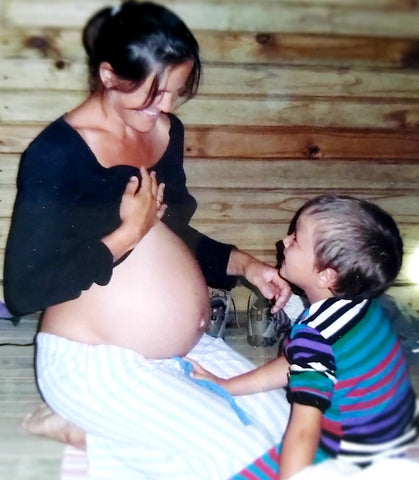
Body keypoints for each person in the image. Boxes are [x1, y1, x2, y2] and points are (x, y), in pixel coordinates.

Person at [3, 2, 291, 479]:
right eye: (152, 95)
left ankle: (101, 438)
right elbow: (25, 289)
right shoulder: (56, 153)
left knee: (292, 429)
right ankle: (86, 433)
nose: (166, 109)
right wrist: (126, 235)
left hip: (183, 351)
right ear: (110, 75)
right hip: (93, 362)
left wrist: (244, 265)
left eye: (176, 94)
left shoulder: (165, 132)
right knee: (243, 463)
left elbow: (172, 237)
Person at [190, 195, 419, 480]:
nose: (285, 241)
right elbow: (295, 362)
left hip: (352, 459)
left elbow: (303, 433)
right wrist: (226, 385)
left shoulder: (315, 334)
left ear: (325, 276)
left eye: (296, 239)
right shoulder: (365, 306)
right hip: (394, 438)